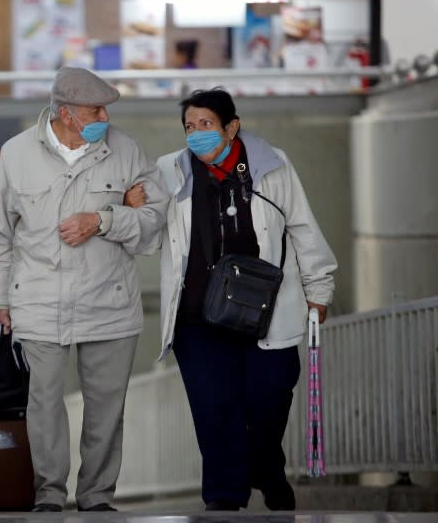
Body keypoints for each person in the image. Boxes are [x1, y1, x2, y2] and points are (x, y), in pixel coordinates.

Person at [128, 87, 337, 511]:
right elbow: (147, 240)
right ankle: (224, 503)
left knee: (272, 396)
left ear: (232, 126)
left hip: (266, 310)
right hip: (197, 319)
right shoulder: (169, 171)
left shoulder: (271, 166)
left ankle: (266, 466)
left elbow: (301, 226)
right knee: (214, 412)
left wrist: (320, 289)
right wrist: (131, 206)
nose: (196, 134)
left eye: (206, 124)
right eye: (189, 126)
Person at [0, 66, 168, 512]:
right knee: (44, 406)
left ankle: (97, 498)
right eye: (95, 109)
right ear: (65, 114)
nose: (105, 116)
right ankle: (49, 496)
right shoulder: (15, 153)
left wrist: (104, 220)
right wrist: (0, 298)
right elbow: (0, 232)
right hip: (39, 301)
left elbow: (153, 223)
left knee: (106, 409)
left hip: (109, 302)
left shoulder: (125, 151)